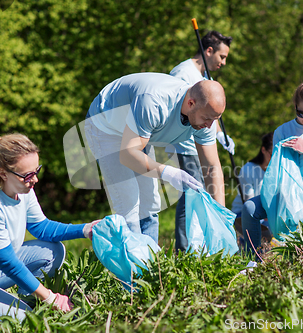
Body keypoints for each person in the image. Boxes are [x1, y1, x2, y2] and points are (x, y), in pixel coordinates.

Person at [0, 134, 99, 322]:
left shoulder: (23, 190)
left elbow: (42, 228)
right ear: (4, 174)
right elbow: (7, 262)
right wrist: (50, 297)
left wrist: (86, 229)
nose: (35, 179)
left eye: (36, 171)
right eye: (28, 175)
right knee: (27, 320)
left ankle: (25, 297)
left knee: (53, 250)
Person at [84, 73, 226, 244]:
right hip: (106, 125)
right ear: (191, 103)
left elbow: (211, 167)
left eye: (215, 120)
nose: (209, 126)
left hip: (137, 132)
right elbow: (128, 155)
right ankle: (135, 266)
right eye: (207, 119)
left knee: (150, 203)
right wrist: (168, 172)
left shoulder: (206, 115)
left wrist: (221, 216)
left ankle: (151, 263)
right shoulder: (155, 102)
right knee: (128, 204)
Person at [242, 81, 303, 252]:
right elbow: (276, 171)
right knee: (249, 209)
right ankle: (253, 260)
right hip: (286, 198)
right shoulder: (283, 131)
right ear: (296, 106)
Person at [167, 30, 235, 251]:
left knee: (196, 198)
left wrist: (219, 134)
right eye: (222, 57)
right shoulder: (183, 73)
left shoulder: (204, 76)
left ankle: (202, 248)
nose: (223, 62)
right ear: (209, 51)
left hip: (199, 144)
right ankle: (185, 252)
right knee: (190, 200)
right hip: (186, 147)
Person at [231, 133, 273, 242]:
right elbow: (249, 204)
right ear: (263, 150)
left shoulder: (278, 170)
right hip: (242, 214)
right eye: (271, 154)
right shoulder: (248, 169)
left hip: (267, 215)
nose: (274, 158)